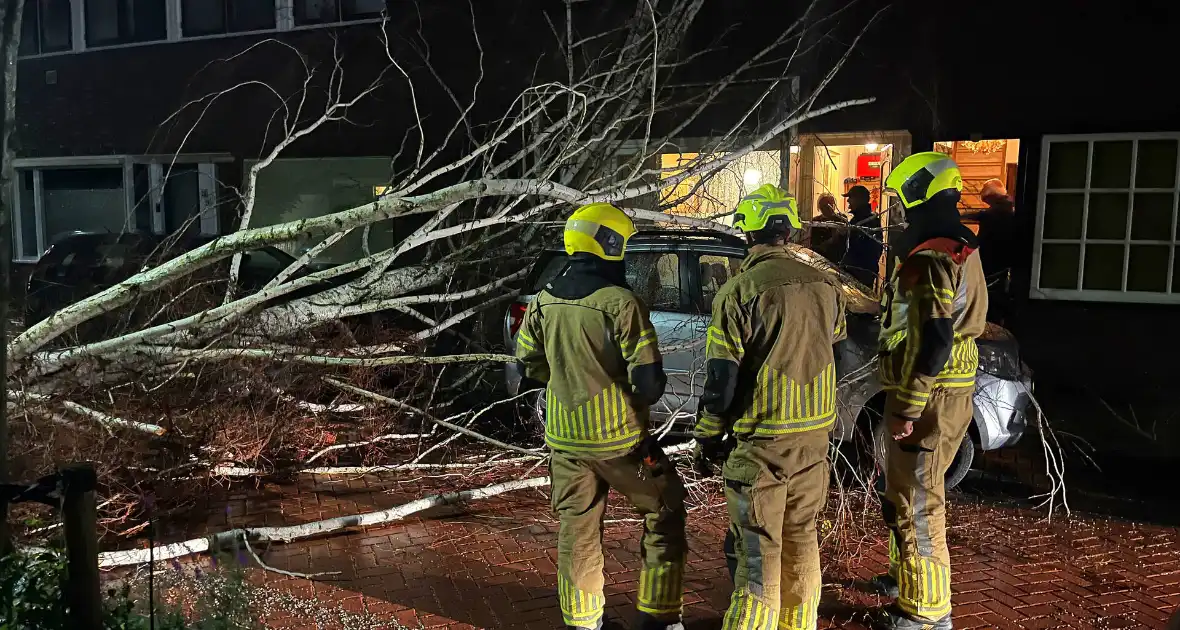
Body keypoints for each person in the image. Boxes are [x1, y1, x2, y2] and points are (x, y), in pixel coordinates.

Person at [515, 202, 688, 630]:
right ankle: (660, 617)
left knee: (578, 527)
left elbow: (528, 365)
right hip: (621, 442)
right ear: (610, 244)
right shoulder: (621, 303)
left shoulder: (543, 300)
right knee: (665, 509)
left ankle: (583, 622)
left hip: (565, 439)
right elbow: (648, 383)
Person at [692, 183, 848, 630]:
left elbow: (722, 379)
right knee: (802, 538)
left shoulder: (739, 292)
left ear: (749, 233)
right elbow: (834, 341)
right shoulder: (826, 284)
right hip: (815, 437)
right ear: (789, 233)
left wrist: (707, 436)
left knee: (758, 550)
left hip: (763, 443)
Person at [870, 153, 988, 630]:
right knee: (904, 490)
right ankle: (906, 580)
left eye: (902, 200)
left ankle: (926, 612)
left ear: (918, 192)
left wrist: (909, 406)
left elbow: (934, 335)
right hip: (948, 388)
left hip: (929, 394)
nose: (900, 211)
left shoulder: (932, 254)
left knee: (918, 500)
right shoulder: (962, 244)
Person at [962, 178, 1016, 323]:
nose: (985, 202)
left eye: (986, 200)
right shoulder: (1008, 207)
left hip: (993, 263)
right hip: (1002, 263)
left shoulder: (998, 213)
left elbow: (984, 224)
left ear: (992, 196)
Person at [842, 185, 884, 290]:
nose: (848, 201)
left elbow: (870, 250)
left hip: (860, 275)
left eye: (850, 197)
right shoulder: (856, 220)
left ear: (859, 199)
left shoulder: (869, 221)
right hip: (854, 272)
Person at [808, 193, 849, 264]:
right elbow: (814, 243)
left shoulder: (841, 219)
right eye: (823, 206)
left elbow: (845, 240)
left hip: (838, 259)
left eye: (828, 205)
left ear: (833, 205)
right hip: (821, 258)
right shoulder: (816, 221)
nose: (826, 209)